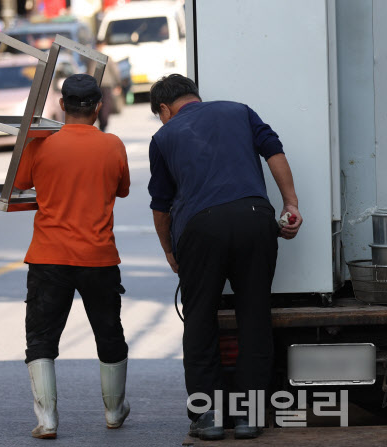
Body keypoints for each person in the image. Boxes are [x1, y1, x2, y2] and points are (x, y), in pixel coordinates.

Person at [148, 74, 302, 441]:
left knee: (200, 319)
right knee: (254, 315)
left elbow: (162, 206)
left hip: (201, 229)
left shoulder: (164, 137)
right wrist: (290, 203)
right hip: (255, 218)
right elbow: (274, 152)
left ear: (165, 109)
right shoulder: (239, 111)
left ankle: (209, 417)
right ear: (195, 97)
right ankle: (249, 416)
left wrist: (170, 250)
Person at [14, 74, 131, 439]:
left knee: (42, 338)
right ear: (98, 107)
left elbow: (18, 184)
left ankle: (47, 419)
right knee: (109, 333)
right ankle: (113, 411)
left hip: (49, 257)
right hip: (99, 257)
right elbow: (122, 189)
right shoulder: (113, 145)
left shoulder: (41, 145)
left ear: (62, 106)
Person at [94, 40, 122, 132]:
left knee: (97, 105)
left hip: (96, 85)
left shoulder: (91, 58)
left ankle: (101, 122)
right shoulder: (107, 58)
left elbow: (89, 72)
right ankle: (103, 123)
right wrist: (118, 83)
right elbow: (115, 71)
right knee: (106, 105)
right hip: (106, 85)